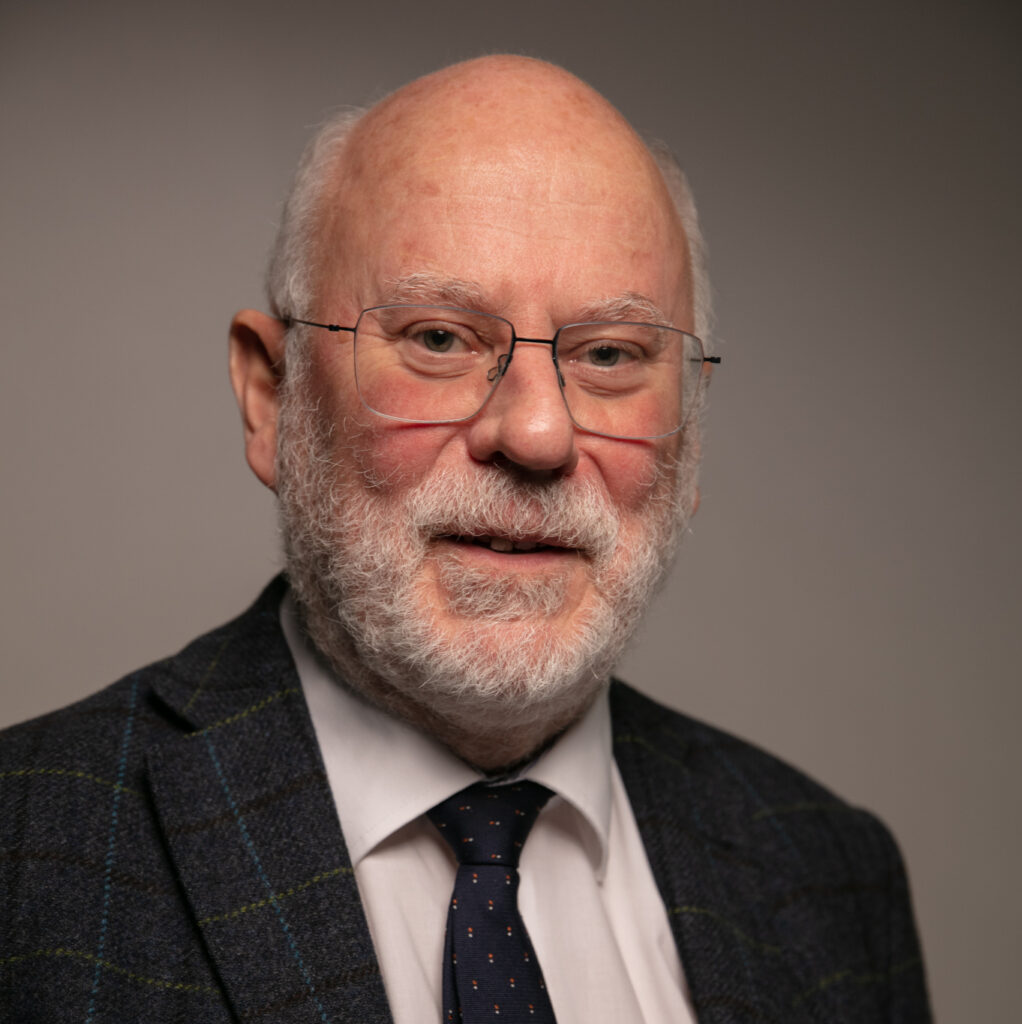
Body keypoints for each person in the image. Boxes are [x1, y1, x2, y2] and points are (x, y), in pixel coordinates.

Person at [0, 56, 930, 1023]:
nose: (536, 436)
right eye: (439, 339)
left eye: (610, 355)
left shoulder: (831, 875)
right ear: (272, 399)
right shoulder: (27, 859)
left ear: (690, 425)